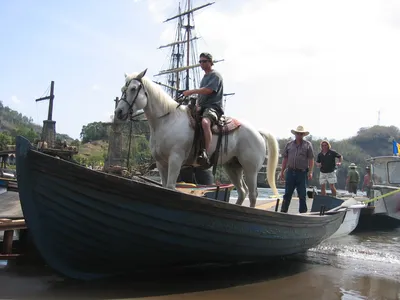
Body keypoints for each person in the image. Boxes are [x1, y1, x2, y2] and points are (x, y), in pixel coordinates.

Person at [183, 52, 224, 164]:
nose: (201, 63)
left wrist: (192, 91)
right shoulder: (204, 77)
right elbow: (202, 95)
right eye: (200, 61)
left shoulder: (215, 75)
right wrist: (197, 105)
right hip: (202, 107)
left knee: (205, 123)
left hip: (213, 107)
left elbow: (209, 90)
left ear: (211, 62)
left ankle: (205, 152)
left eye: (204, 61)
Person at [279, 125, 314, 213]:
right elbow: (285, 159)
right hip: (290, 172)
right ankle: (283, 211)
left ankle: (303, 213)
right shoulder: (289, 144)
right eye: (298, 133)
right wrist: (282, 171)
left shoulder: (308, 145)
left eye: (301, 134)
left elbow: (311, 159)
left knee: (302, 194)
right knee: (287, 194)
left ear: (303, 135)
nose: (299, 135)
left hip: (302, 173)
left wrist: (310, 172)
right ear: (295, 134)